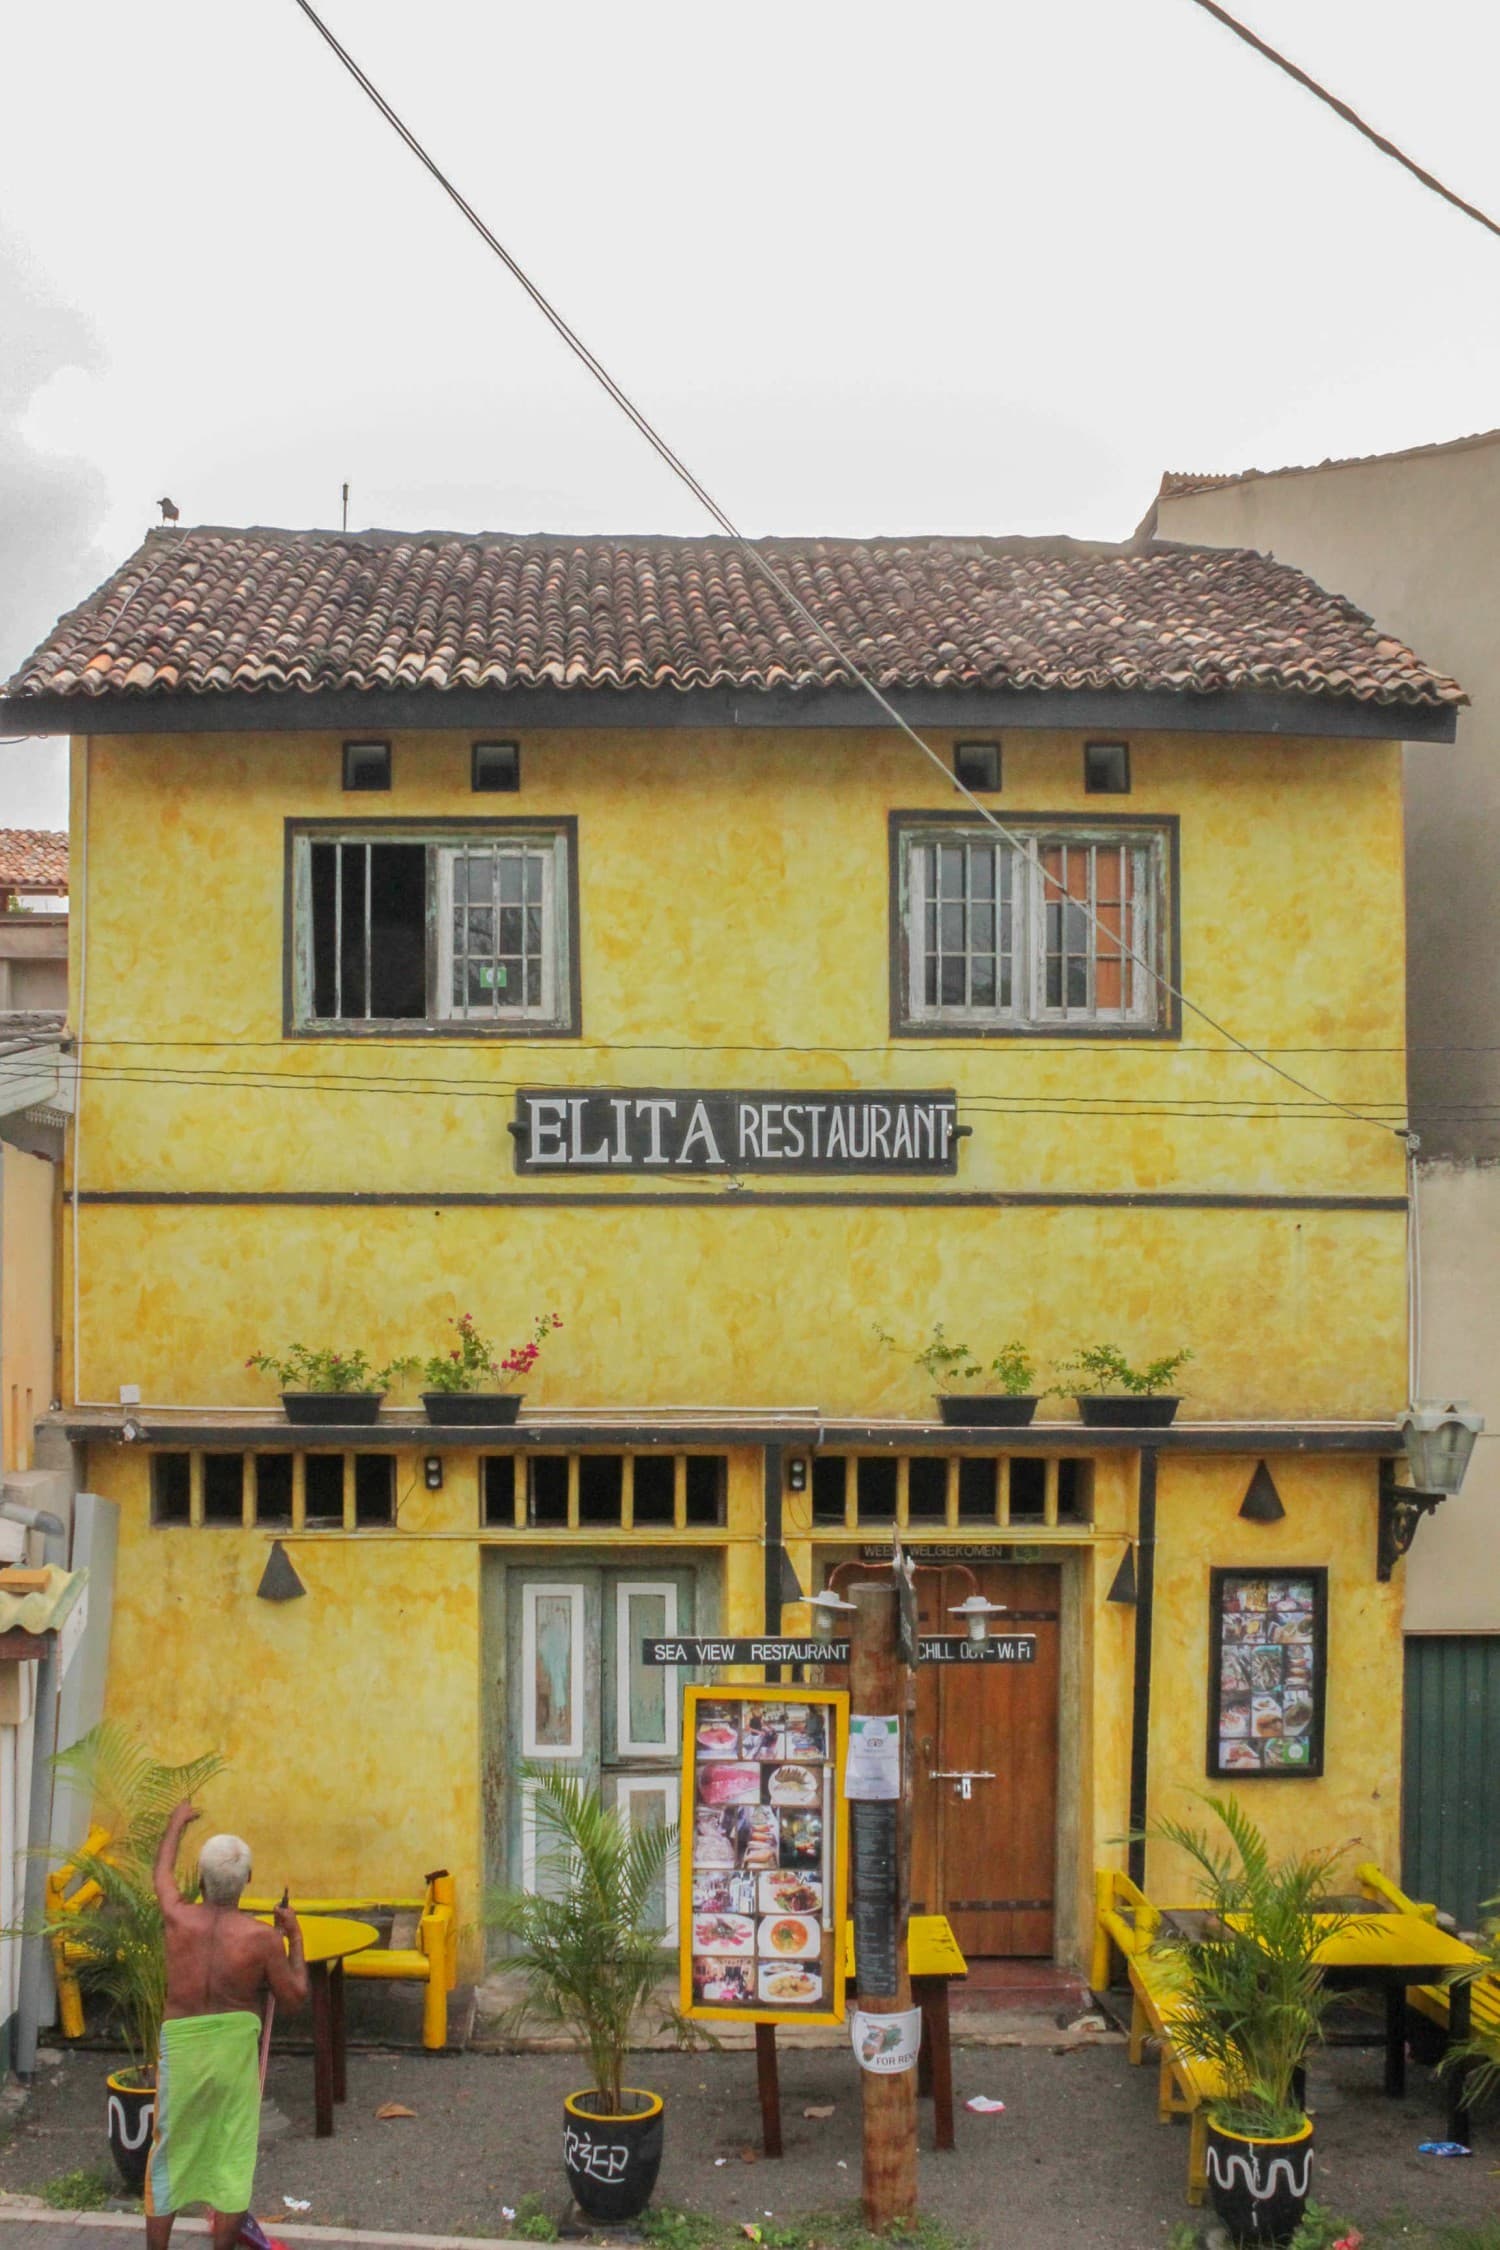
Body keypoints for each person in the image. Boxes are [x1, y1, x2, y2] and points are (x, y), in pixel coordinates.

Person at [144, 1800, 308, 2250]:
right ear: (247, 1882)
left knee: (168, 2156)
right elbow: (294, 1997)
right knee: (233, 2155)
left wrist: (177, 1821)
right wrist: (293, 1935)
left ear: (200, 1879)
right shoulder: (262, 1938)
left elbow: (160, 1875)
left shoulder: (176, 1915)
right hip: (234, 2057)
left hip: (182, 2052)